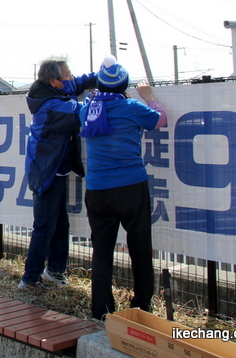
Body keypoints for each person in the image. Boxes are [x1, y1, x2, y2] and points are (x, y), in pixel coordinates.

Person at [79, 56, 167, 320]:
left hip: (96, 189)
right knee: (140, 246)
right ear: (125, 84)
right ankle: (142, 307)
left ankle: (101, 311)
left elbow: (87, 103)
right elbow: (159, 120)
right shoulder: (131, 107)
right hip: (131, 187)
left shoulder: (87, 109)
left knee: (102, 250)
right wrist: (148, 95)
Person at [18, 57, 97, 290]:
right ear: (54, 81)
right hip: (45, 172)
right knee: (44, 227)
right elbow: (82, 111)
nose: (71, 77)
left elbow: (79, 83)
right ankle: (30, 279)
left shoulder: (53, 92)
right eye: (67, 74)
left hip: (57, 170)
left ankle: (55, 271)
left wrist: (106, 76)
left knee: (60, 225)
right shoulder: (52, 107)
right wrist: (102, 95)